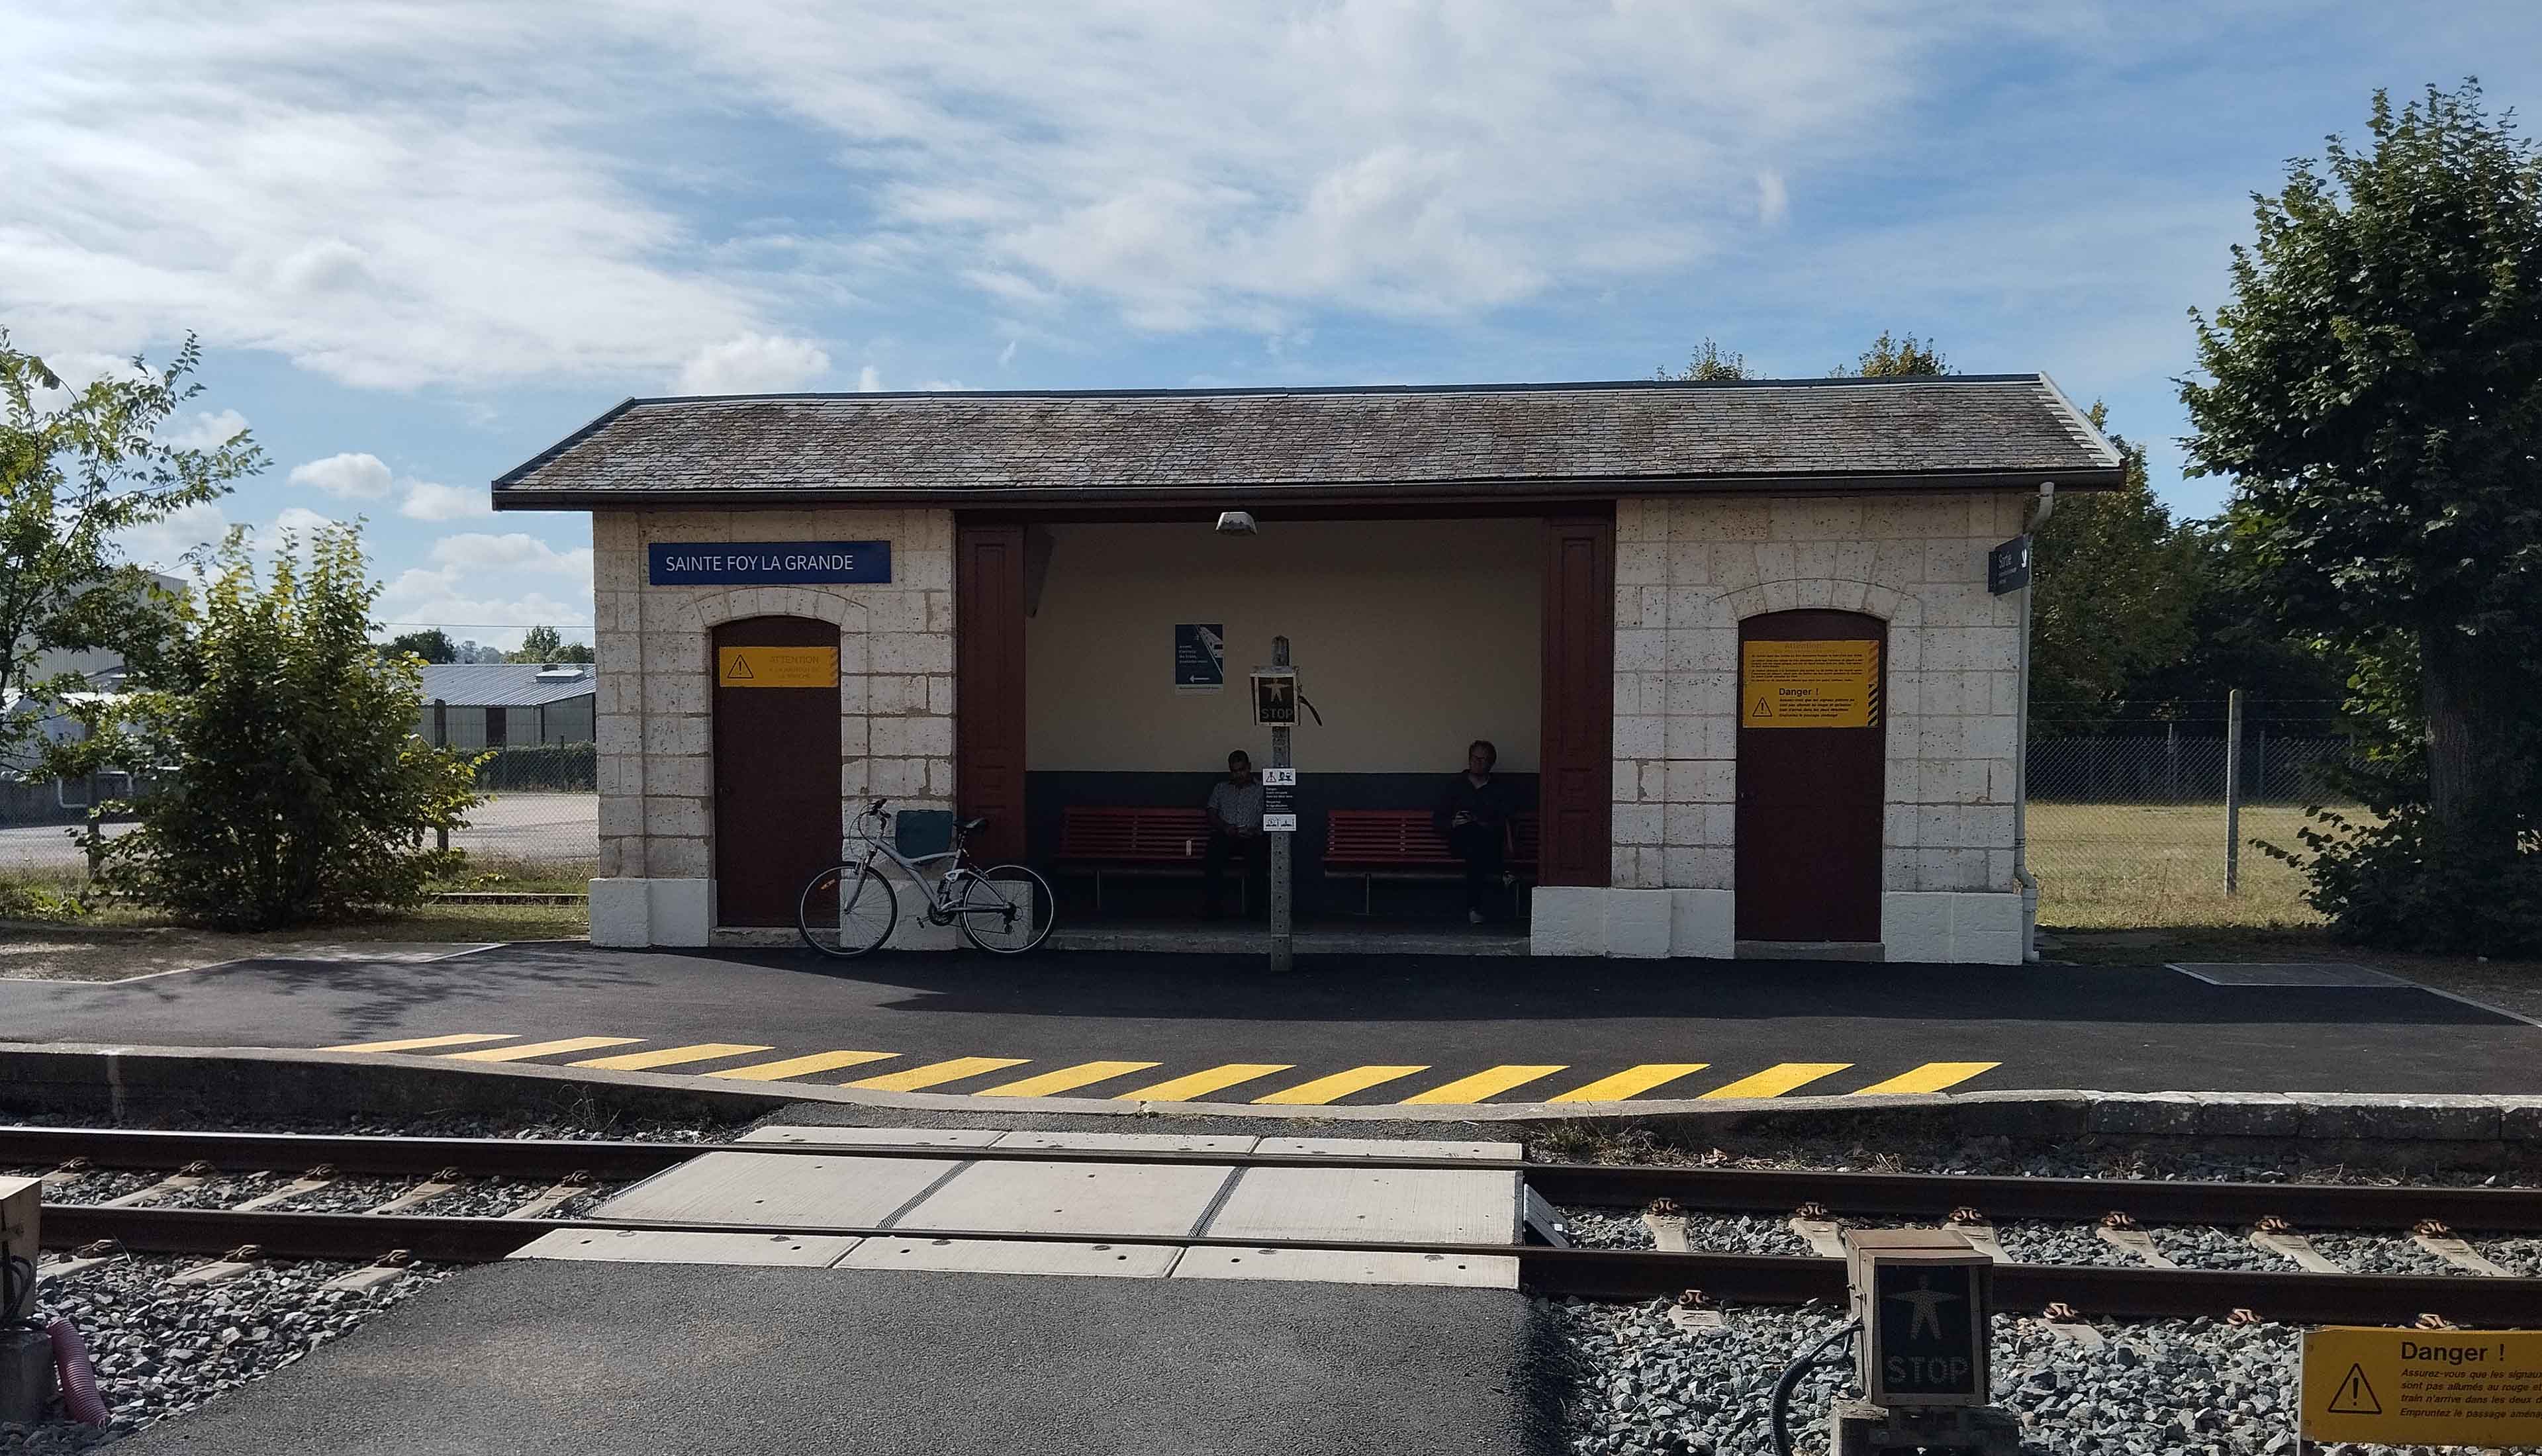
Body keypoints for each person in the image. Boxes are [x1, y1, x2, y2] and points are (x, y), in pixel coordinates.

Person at [1433, 739, 1513, 924]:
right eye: (1475, 758)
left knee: (1475, 851)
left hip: (1484, 843)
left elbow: (1504, 818)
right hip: (1461, 842)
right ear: (1469, 759)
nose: (1478, 763)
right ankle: (1503, 872)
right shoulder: (1456, 786)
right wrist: (1454, 822)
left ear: (1491, 763)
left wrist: (1479, 821)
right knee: (1472, 837)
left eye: (1483, 759)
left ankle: (1473, 909)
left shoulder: (1498, 789)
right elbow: (1437, 820)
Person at [1202, 749, 1267, 919]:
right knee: (1212, 856)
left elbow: (1271, 814)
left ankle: (1256, 911)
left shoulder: (1261, 789)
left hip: (1252, 836)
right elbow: (1211, 811)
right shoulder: (1221, 788)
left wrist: (1256, 830)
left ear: (1249, 767)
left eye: (1242, 769)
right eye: (1234, 771)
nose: (1238, 774)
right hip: (1227, 834)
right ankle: (1213, 908)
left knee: (1258, 859)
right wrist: (1225, 827)